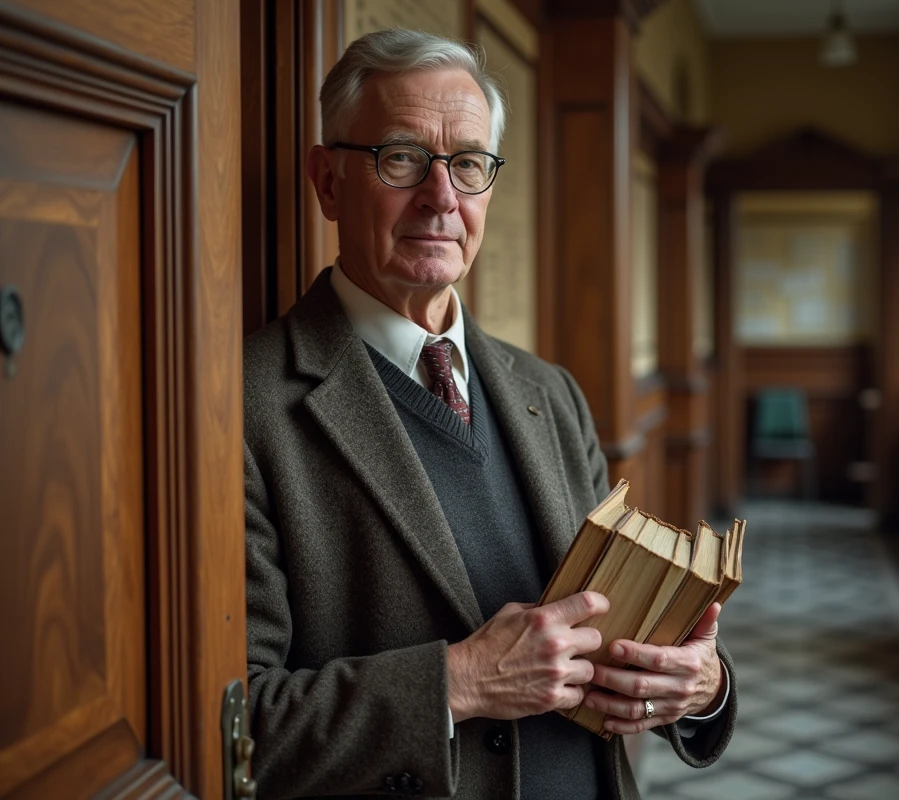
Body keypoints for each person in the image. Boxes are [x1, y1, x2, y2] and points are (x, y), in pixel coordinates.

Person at [243, 28, 736, 799]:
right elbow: (241, 728)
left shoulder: (551, 392)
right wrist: (458, 682)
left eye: (468, 164)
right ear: (328, 181)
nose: (441, 198)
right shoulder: (247, 405)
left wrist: (697, 687)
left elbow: (612, 633)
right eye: (401, 158)